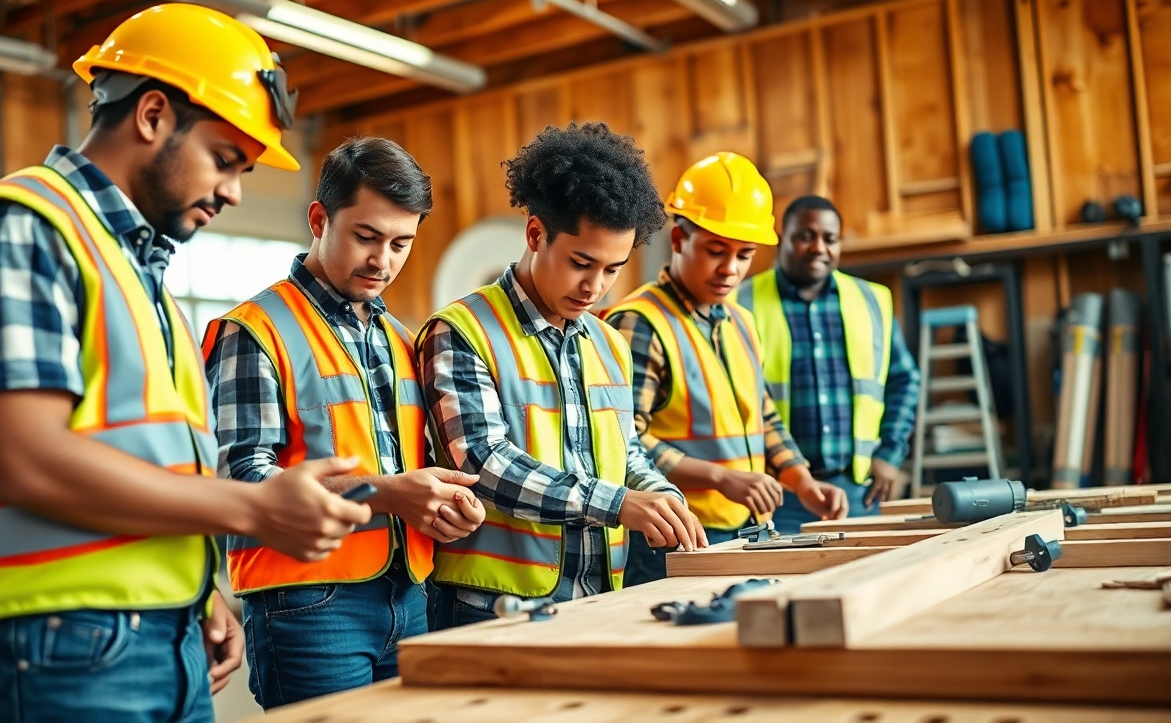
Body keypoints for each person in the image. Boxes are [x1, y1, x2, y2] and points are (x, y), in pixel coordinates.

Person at [0, 4, 371, 723]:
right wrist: (257, 509)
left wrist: (201, 591)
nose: (235, 191)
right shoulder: (20, 231)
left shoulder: (136, 273)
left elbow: (149, 463)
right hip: (46, 648)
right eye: (225, 159)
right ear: (151, 115)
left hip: (152, 639)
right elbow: (28, 461)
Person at [202, 136, 486, 708]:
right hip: (308, 607)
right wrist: (386, 494)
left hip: (410, 597)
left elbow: (411, 465)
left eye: (401, 243)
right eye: (366, 237)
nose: (383, 261)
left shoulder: (400, 338)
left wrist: (442, 501)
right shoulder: (254, 330)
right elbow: (240, 481)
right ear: (318, 219)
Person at [418, 122, 708, 629]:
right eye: (581, 262)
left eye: (613, 269)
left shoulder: (609, 344)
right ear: (536, 234)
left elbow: (625, 449)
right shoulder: (462, 331)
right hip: (488, 607)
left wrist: (660, 495)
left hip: (596, 596)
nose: (595, 286)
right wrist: (619, 504)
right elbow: (485, 463)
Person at [605, 153, 849, 584]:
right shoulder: (639, 323)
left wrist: (803, 481)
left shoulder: (740, 321)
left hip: (750, 528)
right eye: (716, 251)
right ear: (679, 239)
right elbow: (622, 439)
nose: (730, 270)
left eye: (744, 255)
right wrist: (720, 478)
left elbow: (765, 415)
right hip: (678, 534)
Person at [734, 195, 921, 534]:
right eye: (806, 236)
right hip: (775, 493)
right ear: (782, 238)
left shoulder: (872, 301)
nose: (819, 247)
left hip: (857, 492)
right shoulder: (740, 302)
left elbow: (904, 380)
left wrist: (890, 454)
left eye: (829, 238)